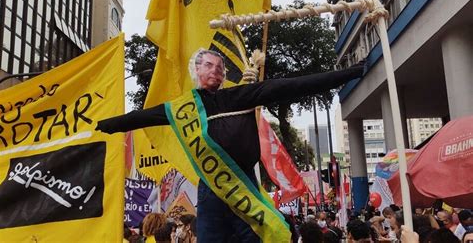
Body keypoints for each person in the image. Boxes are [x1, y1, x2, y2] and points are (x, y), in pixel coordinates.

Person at [96, 49, 364, 242]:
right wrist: (104, 124)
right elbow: (141, 116)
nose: (216, 70)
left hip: (244, 184)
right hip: (211, 190)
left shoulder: (241, 95)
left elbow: (292, 86)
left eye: (220, 67)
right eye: (209, 65)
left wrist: (349, 73)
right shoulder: (181, 109)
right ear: (196, 70)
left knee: (261, 236)